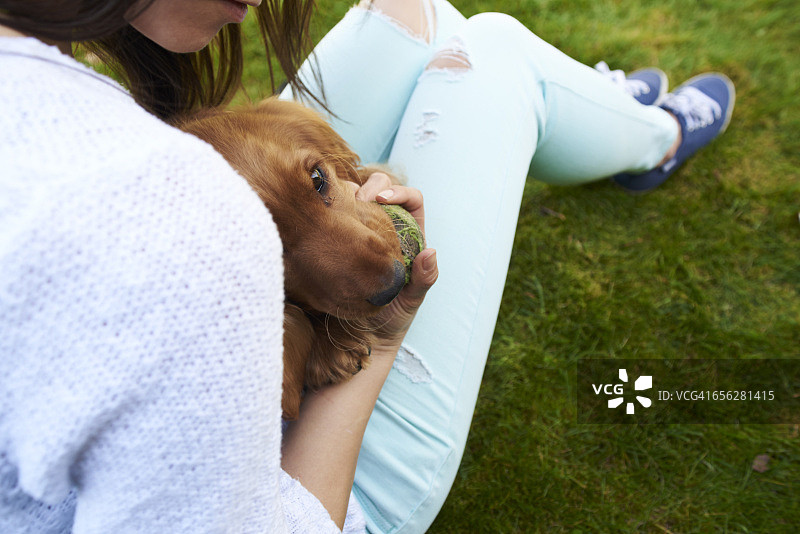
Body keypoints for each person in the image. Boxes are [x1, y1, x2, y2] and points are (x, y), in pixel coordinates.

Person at [0, 1, 734, 534]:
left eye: (321, 179)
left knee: (411, 16)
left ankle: (602, 107)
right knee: (495, 56)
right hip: (317, 495)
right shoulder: (145, 220)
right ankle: (652, 134)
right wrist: (381, 340)